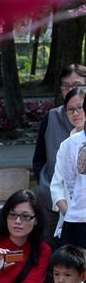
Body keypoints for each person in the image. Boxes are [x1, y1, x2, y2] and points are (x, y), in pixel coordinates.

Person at [32, 63, 86, 249]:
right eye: (66, 86)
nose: (71, 89)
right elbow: (39, 158)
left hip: (80, 205)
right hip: (53, 198)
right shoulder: (52, 117)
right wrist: (46, 186)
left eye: (77, 84)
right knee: (52, 250)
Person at [50, 88, 86, 241]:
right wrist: (69, 212)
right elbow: (57, 185)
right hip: (74, 217)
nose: (75, 113)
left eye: (80, 107)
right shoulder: (66, 145)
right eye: (71, 109)